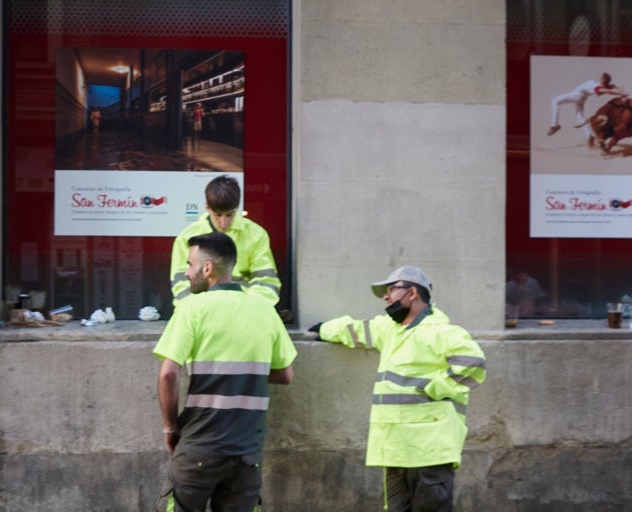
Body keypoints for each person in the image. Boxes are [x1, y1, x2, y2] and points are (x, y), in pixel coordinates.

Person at [310, 266, 486, 512]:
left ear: (412, 293)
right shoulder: (390, 330)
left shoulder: (442, 331)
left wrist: (434, 387)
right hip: (396, 448)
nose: (386, 297)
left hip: (430, 450)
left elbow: (474, 363)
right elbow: (356, 330)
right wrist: (323, 329)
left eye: (392, 289)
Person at [154, 232, 297, 512]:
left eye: (190, 264)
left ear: (207, 268)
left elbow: (168, 374)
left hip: (200, 446)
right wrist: (244, 374)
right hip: (246, 452)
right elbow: (285, 375)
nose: (186, 272)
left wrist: (170, 427)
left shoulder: (192, 308)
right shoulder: (265, 310)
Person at [170, 175, 281, 307]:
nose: (224, 223)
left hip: (243, 310)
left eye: (230, 214)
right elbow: (181, 285)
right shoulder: (186, 238)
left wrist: (250, 310)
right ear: (207, 207)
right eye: (218, 215)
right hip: (202, 312)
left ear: (238, 207)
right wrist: (201, 311)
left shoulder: (256, 234)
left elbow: (266, 282)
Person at [547, 72, 627, 146]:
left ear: (602, 79)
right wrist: (622, 93)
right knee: (580, 116)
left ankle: (554, 125)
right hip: (582, 98)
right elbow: (619, 85)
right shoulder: (601, 84)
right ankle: (589, 135)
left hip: (575, 95)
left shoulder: (597, 87)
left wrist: (621, 93)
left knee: (554, 101)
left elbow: (607, 91)